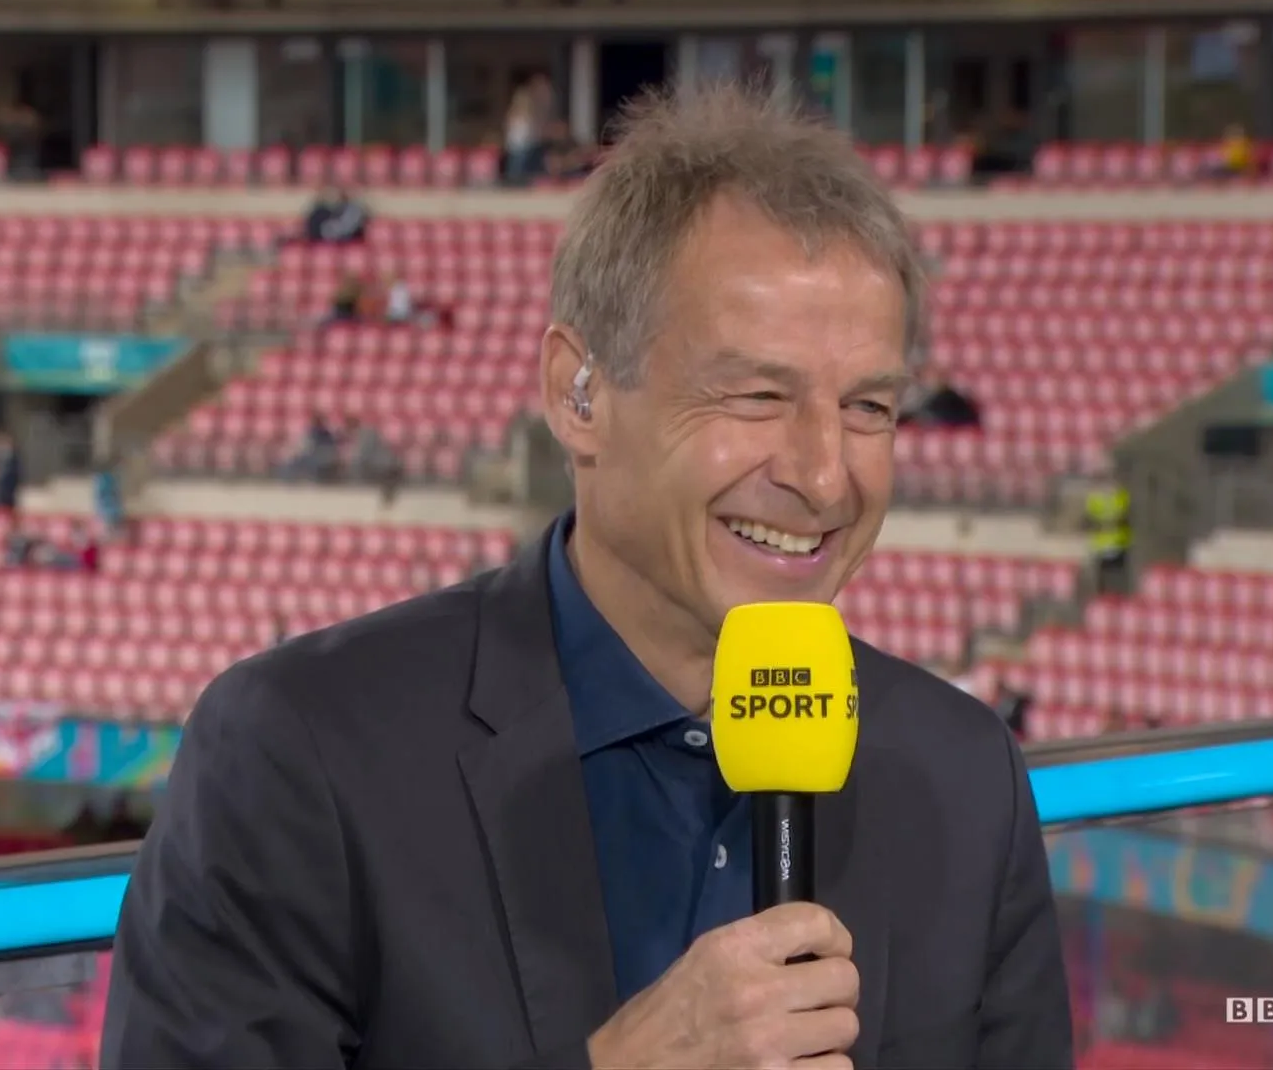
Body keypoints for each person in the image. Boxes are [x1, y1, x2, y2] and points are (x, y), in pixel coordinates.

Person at [103, 83, 1071, 1070]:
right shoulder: (300, 752)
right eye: (755, 394)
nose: (825, 477)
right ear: (579, 394)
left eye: (868, 408)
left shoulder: (966, 779)